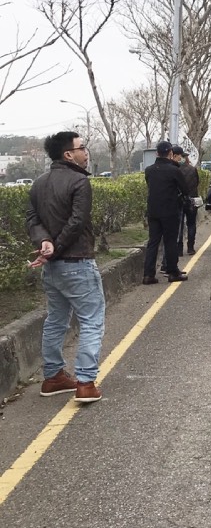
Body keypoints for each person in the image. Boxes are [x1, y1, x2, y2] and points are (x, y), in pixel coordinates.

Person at [26, 131, 106, 403]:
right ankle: (85, 382)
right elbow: (77, 222)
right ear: (68, 154)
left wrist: (46, 243)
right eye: (82, 148)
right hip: (78, 263)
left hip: (53, 269)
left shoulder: (39, 183)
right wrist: (55, 247)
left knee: (56, 320)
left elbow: (32, 219)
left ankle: (53, 377)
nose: (86, 152)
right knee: (91, 320)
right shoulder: (80, 181)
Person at [143, 141, 188, 284]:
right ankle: (173, 271)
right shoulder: (174, 170)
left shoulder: (149, 170)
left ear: (156, 153)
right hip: (170, 211)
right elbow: (185, 189)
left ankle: (148, 274)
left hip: (153, 211)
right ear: (170, 153)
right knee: (170, 241)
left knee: (153, 242)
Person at [178, 149, 200, 255]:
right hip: (192, 200)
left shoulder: (176, 169)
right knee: (191, 224)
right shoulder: (193, 169)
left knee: (179, 225)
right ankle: (190, 248)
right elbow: (197, 182)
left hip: (180, 200)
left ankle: (179, 249)